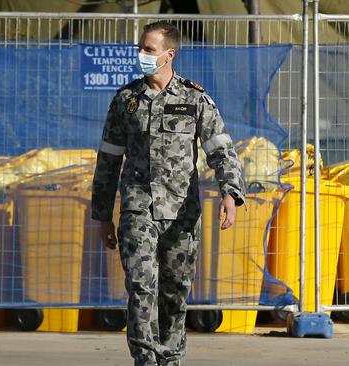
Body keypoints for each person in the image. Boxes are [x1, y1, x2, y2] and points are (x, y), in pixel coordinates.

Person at [91, 21, 245, 366]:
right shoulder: (126, 101)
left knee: (174, 293)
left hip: (181, 213)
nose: (142, 55)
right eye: (140, 48)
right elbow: (108, 160)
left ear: (168, 54)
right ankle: (145, 360)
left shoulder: (194, 98)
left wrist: (230, 193)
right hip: (138, 210)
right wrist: (102, 215)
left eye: (149, 49)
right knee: (142, 287)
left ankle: (171, 359)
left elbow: (221, 150)